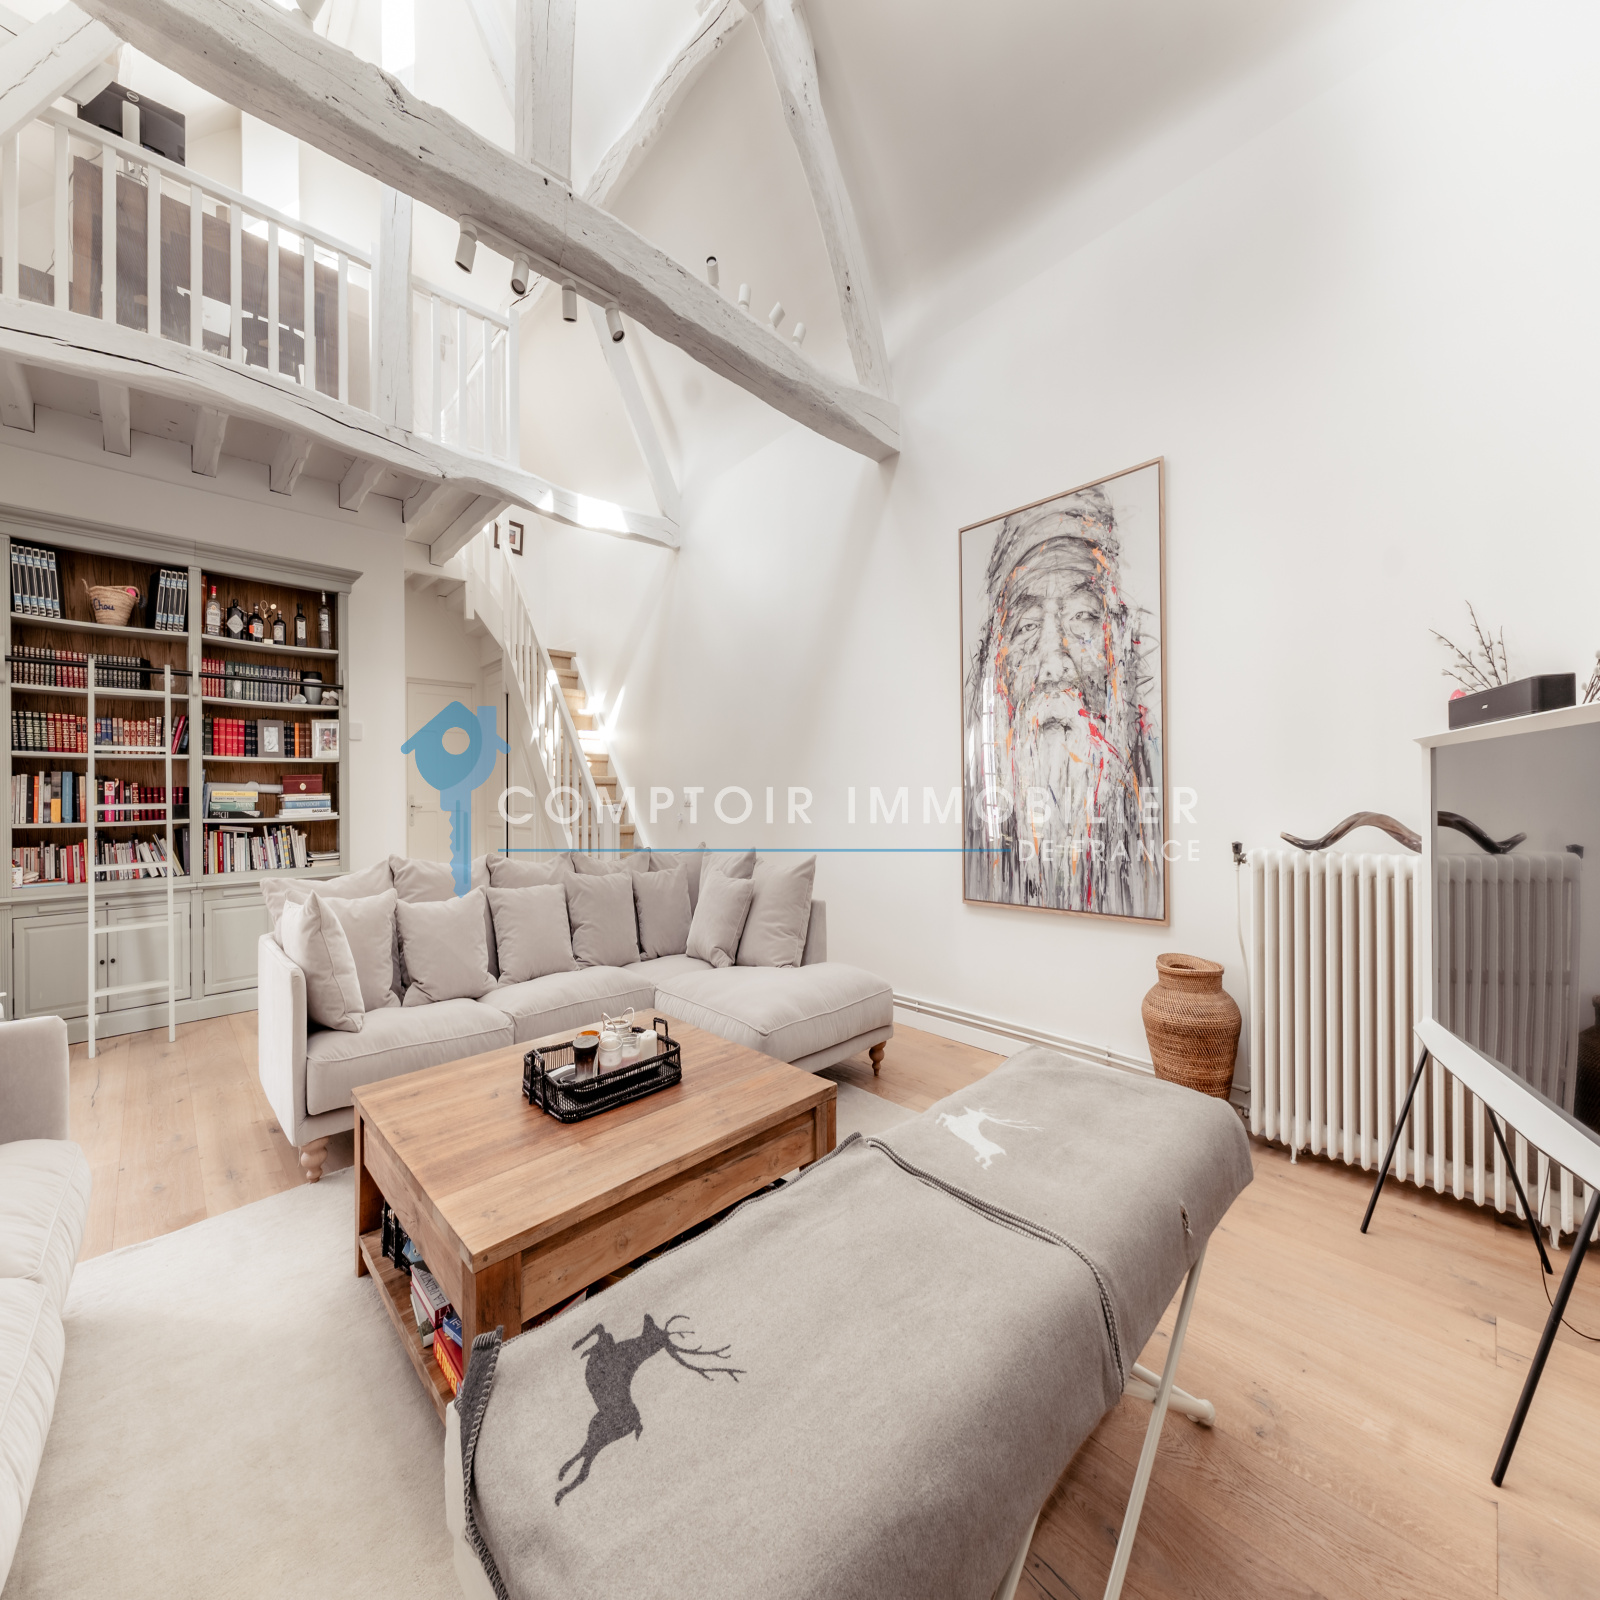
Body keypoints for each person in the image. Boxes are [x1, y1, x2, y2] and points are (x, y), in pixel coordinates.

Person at [962, 485, 1163, 917]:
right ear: (997, 661)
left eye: (1082, 617)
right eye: (1027, 625)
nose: (1052, 662)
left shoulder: (1158, 791)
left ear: (1118, 643)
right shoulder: (974, 812)